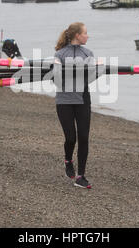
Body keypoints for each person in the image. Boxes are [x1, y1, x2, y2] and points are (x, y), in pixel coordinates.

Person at [54, 22, 96, 189]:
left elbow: (92, 78)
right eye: (85, 33)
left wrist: (90, 71)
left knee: (84, 137)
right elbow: (57, 80)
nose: (87, 35)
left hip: (83, 99)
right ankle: (68, 160)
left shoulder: (88, 53)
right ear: (77, 35)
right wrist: (61, 71)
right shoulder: (59, 54)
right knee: (71, 137)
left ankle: (81, 176)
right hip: (64, 100)